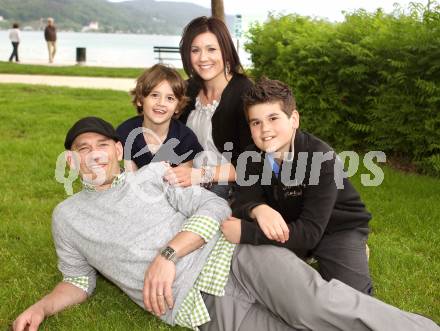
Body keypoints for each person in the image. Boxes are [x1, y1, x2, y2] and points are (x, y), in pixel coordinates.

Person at [12, 116, 439, 331]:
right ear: (72, 160)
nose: (95, 154)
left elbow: (215, 209)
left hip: (236, 257)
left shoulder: (154, 174)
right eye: (83, 149)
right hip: (199, 306)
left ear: (118, 147)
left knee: (319, 306)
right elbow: (78, 280)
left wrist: (168, 254)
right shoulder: (66, 218)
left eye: (102, 145)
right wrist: (43, 307)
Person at [222, 78, 373, 294]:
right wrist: (257, 209)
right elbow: (242, 199)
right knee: (272, 287)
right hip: (288, 224)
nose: (265, 130)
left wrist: (246, 232)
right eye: (256, 122)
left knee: (349, 298)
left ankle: (352, 249)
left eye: (273, 118)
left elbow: (310, 232)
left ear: (294, 119)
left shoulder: (321, 158)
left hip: (335, 228)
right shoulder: (250, 156)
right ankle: (302, 254)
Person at [163, 16, 253, 198]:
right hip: (184, 183)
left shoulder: (247, 95)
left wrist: (199, 175)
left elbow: (253, 165)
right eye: (195, 50)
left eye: (211, 49)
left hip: (230, 190)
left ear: (226, 51)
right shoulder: (187, 90)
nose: (203, 58)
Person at [116, 64, 203, 171]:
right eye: (154, 95)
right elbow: (130, 179)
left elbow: (184, 179)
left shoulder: (185, 138)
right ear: (140, 100)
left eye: (170, 98)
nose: (161, 103)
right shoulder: (126, 132)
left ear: (178, 106)